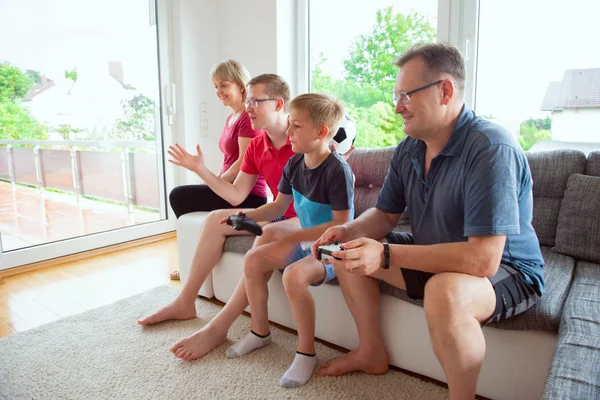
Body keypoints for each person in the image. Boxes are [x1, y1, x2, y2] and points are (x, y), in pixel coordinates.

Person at [312, 43, 545, 400]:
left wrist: (387, 256)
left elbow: (483, 260)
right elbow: (386, 215)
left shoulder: (490, 148)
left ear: (445, 90)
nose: (396, 106)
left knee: (444, 291)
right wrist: (348, 231)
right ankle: (371, 352)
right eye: (396, 96)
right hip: (435, 253)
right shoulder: (410, 147)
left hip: (506, 269)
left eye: (405, 95)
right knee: (350, 252)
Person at [138, 74, 300, 356]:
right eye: (247, 100)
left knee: (268, 235)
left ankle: (218, 328)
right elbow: (236, 195)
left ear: (278, 104)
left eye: (255, 101)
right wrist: (200, 169)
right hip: (277, 215)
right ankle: (185, 302)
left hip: (305, 221)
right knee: (216, 219)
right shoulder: (257, 145)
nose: (247, 106)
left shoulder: (302, 137)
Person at [228, 93, 354, 389]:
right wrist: (245, 215)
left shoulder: (338, 170)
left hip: (333, 247)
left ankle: (306, 353)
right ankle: (260, 332)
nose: (288, 132)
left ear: (321, 132)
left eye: (296, 126)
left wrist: (296, 236)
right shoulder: (295, 163)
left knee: (295, 276)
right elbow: (276, 207)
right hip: (305, 241)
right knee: (253, 259)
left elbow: (342, 224)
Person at [168, 60, 267, 280]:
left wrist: (216, 181)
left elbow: (242, 161)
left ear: (240, 86)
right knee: (183, 196)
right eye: (215, 86)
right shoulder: (232, 117)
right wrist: (213, 181)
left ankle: (191, 260)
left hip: (247, 196)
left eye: (223, 85)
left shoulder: (246, 120)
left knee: (180, 196)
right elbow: (229, 159)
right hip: (228, 187)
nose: (218, 92)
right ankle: (193, 258)